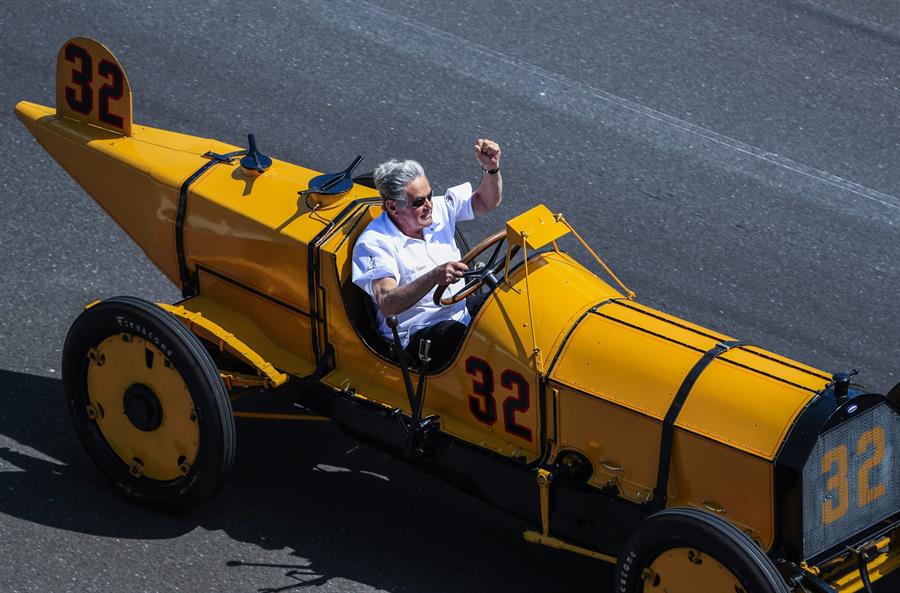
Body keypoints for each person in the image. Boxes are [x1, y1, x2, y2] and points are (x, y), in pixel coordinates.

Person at [351, 139, 503, 365]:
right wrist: (434, 276)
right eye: (419, 201)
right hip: (420, 334)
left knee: (507, 305)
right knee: (482, 350)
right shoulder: (374, 243)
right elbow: (387, 302)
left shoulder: (437, 210)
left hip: (459, 312)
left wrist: (491, 168)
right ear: (393, 207)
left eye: (430, 196)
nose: (429, 205)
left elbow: (486, 202)